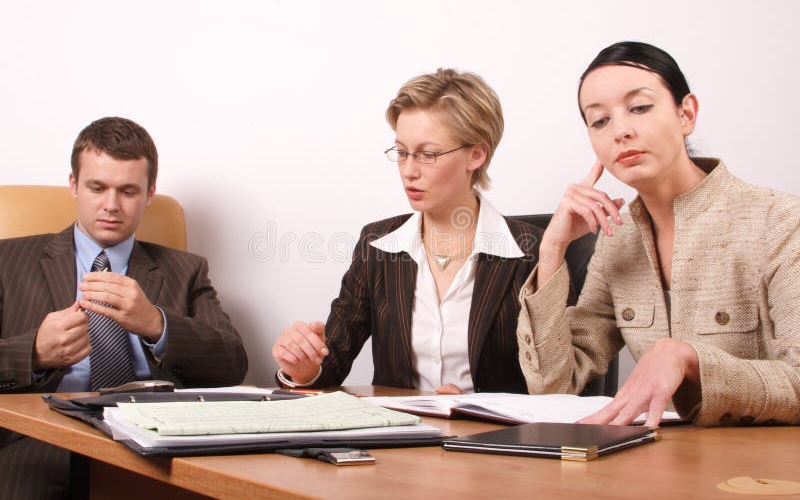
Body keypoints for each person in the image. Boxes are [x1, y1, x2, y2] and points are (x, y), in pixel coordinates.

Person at [517, 41, 800, 427]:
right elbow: (553, 384)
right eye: (600, 121)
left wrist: (688, 358)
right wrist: (553, 248)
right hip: (657, 465)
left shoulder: (779, 221)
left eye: (639, 108)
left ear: (686, 114)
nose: (621, 131)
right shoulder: (617, 239)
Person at [0, 116, 248, 499]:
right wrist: (33, 352)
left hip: (155, 444)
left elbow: (232, 363)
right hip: (40, 439)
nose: (111, 206)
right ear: (73, 185)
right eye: (97, 188)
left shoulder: (185, 269)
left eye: (128, 191)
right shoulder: (8, 259)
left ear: (149, 194)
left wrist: (156, 324)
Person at [272, 68, 542, 394]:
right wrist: (304, 369)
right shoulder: (377, 244)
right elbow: (333, 362)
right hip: (400, 439)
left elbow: (555, 383)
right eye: (401, 152)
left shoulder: (534, 252)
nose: (409, 171)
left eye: (428, 154)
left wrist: (479, 407)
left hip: (491, 442)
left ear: (476, 154)